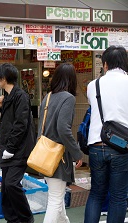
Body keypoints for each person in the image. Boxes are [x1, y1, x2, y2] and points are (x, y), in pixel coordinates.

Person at [84, 46, 128, 223]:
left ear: (105, 64)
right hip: (121, 146)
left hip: (96, 143)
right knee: (118, 196)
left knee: (96, 193)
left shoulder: (93, 85)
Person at [39, 63, 83, 223]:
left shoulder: (48, 96)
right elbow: (63, 129)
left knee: (57, 197)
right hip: (58, 157)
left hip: (44, 155)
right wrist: (77, 153)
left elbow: (41, 128)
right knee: (56, 200)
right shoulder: (68, 98)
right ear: (71, 80)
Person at [0, 63, 34, 223]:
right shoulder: (8, 96)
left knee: (11, 185)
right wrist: (1, 106)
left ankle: (26, 219)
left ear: (3, 79)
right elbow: (11, 121)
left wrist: (10, 148)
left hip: (18, 150)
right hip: (9, 150)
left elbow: (20, 124)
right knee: (5, 189)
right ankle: (12, 220)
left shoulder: (20, 96)